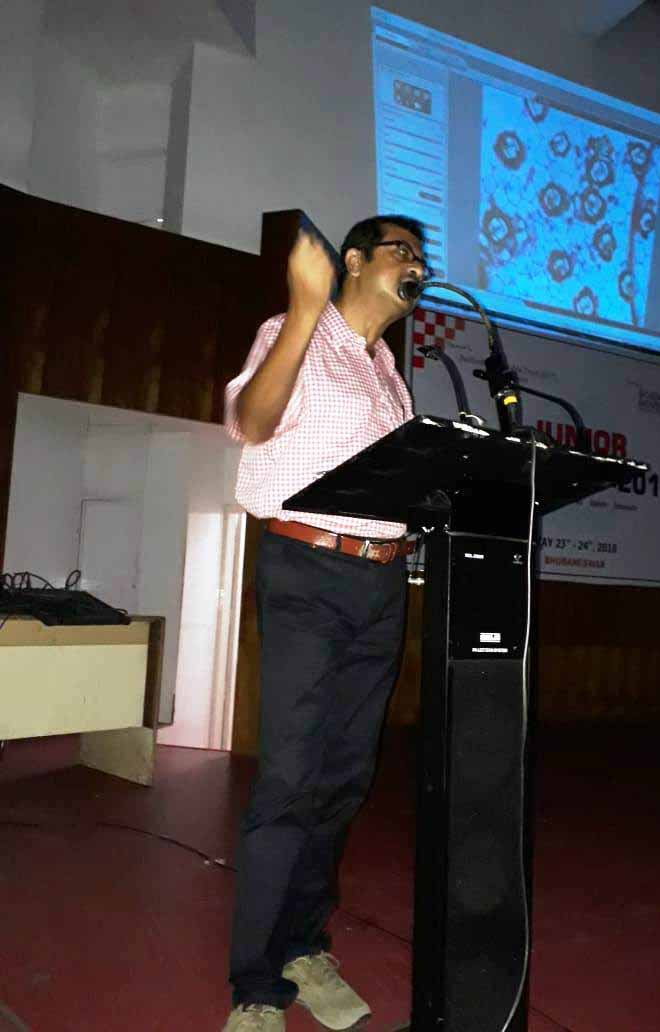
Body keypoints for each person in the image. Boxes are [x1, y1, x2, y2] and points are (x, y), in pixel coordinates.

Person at [222, 215, 429, 1032]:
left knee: (345, 777)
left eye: (422, 257)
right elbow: (252, 423)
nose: (417, 266)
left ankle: (303, 945)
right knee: (289, 779)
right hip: (307, 572)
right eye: (402, 251)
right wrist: (306, 311)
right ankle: (254, 984)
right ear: (353, 261)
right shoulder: (293, 330)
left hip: (382, 582)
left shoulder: (391, 377)